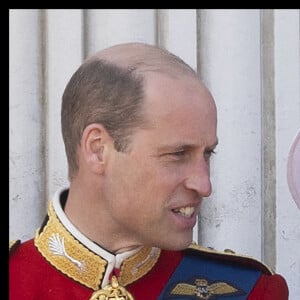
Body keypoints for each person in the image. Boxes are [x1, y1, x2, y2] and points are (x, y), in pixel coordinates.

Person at [9, 42, 289, 300]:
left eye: (207, 153)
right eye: (178, 154)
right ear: (98, 149)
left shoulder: (248, 290)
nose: (204, 185)